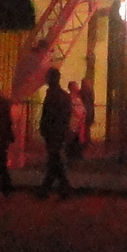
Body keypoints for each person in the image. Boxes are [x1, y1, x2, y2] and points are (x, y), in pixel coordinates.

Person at [36, 67, 74, 199]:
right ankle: (53, 189)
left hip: (53, 132)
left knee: (54, 161)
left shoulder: (53, 95)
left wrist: (44, 128)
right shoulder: (64, 96)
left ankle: (55, 189)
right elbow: (66, 115)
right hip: (58, 132)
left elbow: (49, 115)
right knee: (54, 160)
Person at [70, 77, 92, 158]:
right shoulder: (74, 98)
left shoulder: (82, 95)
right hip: (76, 120)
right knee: (78, 135)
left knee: (82, 133)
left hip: (80, 119)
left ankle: (79, 150)